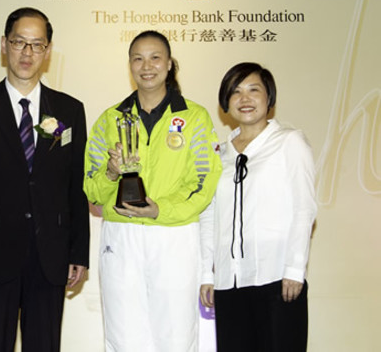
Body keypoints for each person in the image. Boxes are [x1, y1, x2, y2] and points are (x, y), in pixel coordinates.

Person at [0, 7, 90, 352]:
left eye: (36, 45)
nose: (27, 53)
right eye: (19, 42)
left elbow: (75, 186)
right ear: (3, 44)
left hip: (49, 256)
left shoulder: (69, 110)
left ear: (48, 51)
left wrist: (79, 252)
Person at [84, 30, 221, 352]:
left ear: (170, 64)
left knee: (175, 337)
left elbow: (203, 182)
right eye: (138, 58)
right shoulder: (110, 119)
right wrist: (110, 172)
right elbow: (91, 190)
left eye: (155, 57)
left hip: (174, 236)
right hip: (121, 238)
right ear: (129, 66)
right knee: (123, 338)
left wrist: (160, 209)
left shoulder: (194, 118)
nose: (147, 66)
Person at [199, 63, 317, 351]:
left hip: (277, 278)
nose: (245, 99)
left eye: (254, 90)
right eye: (236, 92)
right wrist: (207, 274)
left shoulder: (289, 142)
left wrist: (294, 268)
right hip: (229, 283)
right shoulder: (219, 153)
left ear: (269, 97)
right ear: (226, 102)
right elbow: (209, 217)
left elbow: (305, 208)